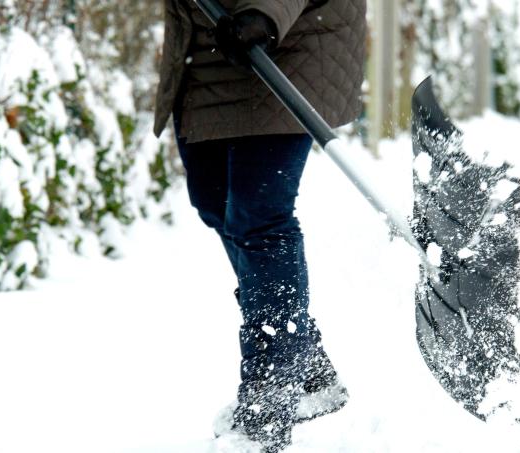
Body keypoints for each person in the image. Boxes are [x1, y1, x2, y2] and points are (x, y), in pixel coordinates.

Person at [153, 0, 366, 451]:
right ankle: (308, 370)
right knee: (215, 203)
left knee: (259, 216)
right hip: (209, 46)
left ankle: (270, 400)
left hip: (287, 43)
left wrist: (268, 13)